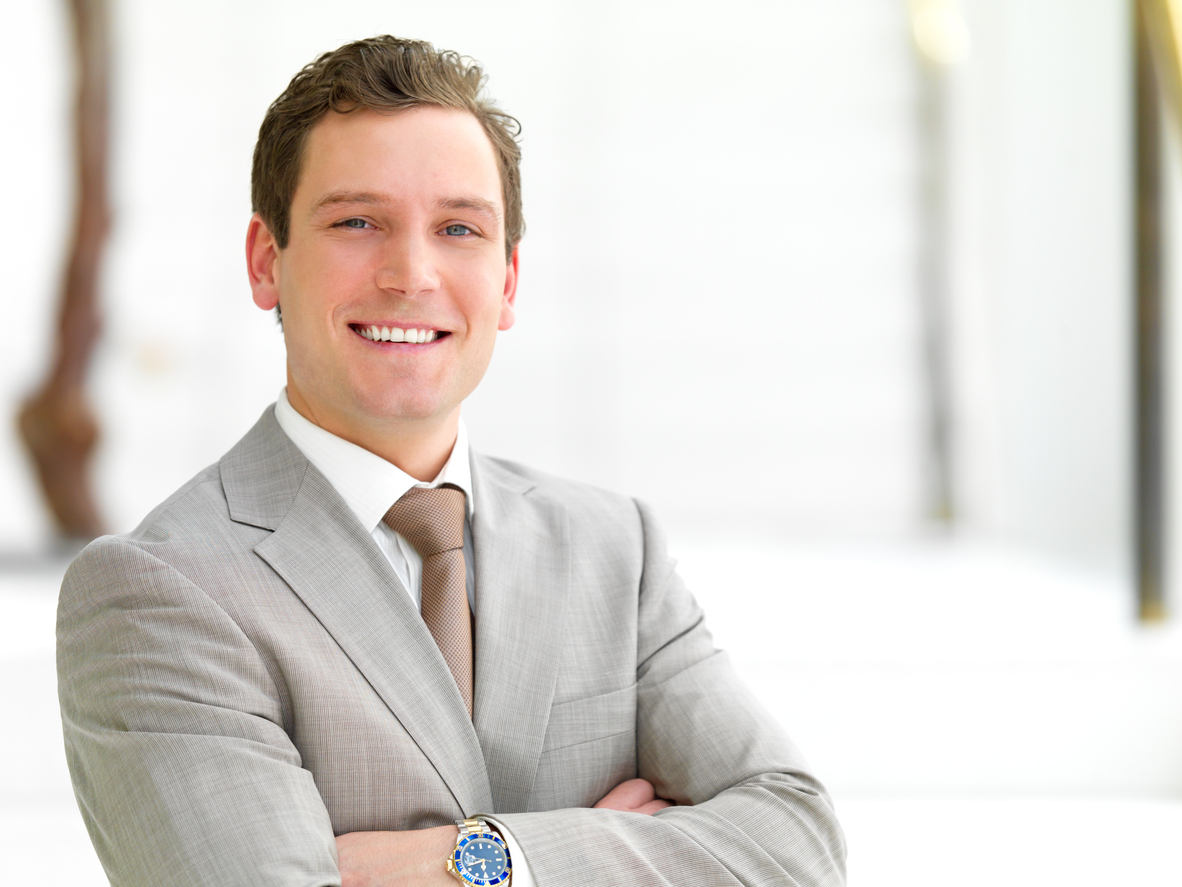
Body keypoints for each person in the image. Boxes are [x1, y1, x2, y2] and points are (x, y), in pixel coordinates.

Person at [57, 35, 846, 887]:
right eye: (358, 221)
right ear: (266, 260)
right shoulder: (157, 588)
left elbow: (794, 845)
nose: (412, 272)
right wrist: (612, 849)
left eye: (459, 228)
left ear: (507, 282)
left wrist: (482, 862)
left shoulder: (616, 549)